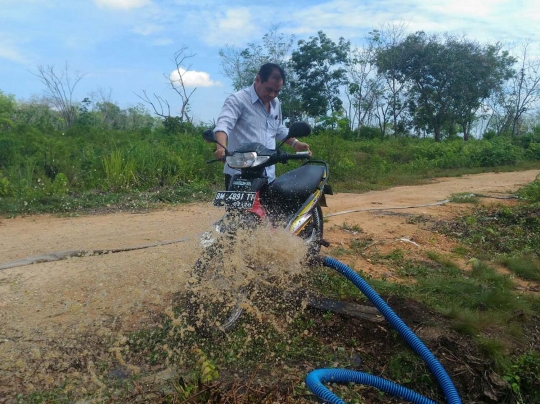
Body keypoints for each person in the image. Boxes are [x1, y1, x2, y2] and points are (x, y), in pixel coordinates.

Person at [213, 62, 311, 189]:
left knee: (271, 208)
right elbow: (223, 124)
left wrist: (295, 143)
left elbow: (277, 129)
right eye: (269, 89)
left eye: (277, 91)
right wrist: (221, 147)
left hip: (267, 174)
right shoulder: (238, 100)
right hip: (240, 174)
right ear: (258, 79)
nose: (272, 95)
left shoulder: (275, 104)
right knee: (240, 210)